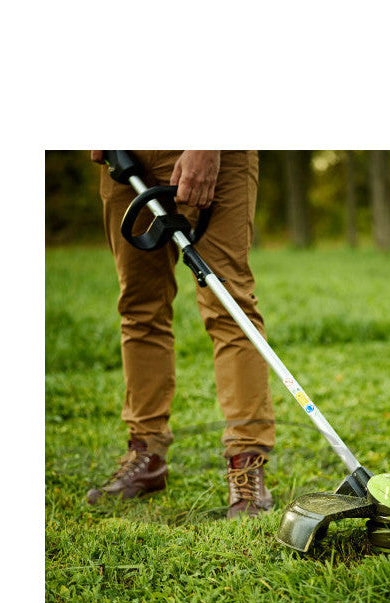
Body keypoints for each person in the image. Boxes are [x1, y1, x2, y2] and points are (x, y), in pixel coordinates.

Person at [86, 150, 275, 518]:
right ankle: (146, 455)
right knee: (139, 308)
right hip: (125, 152)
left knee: (230, 305)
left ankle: (246, 463)